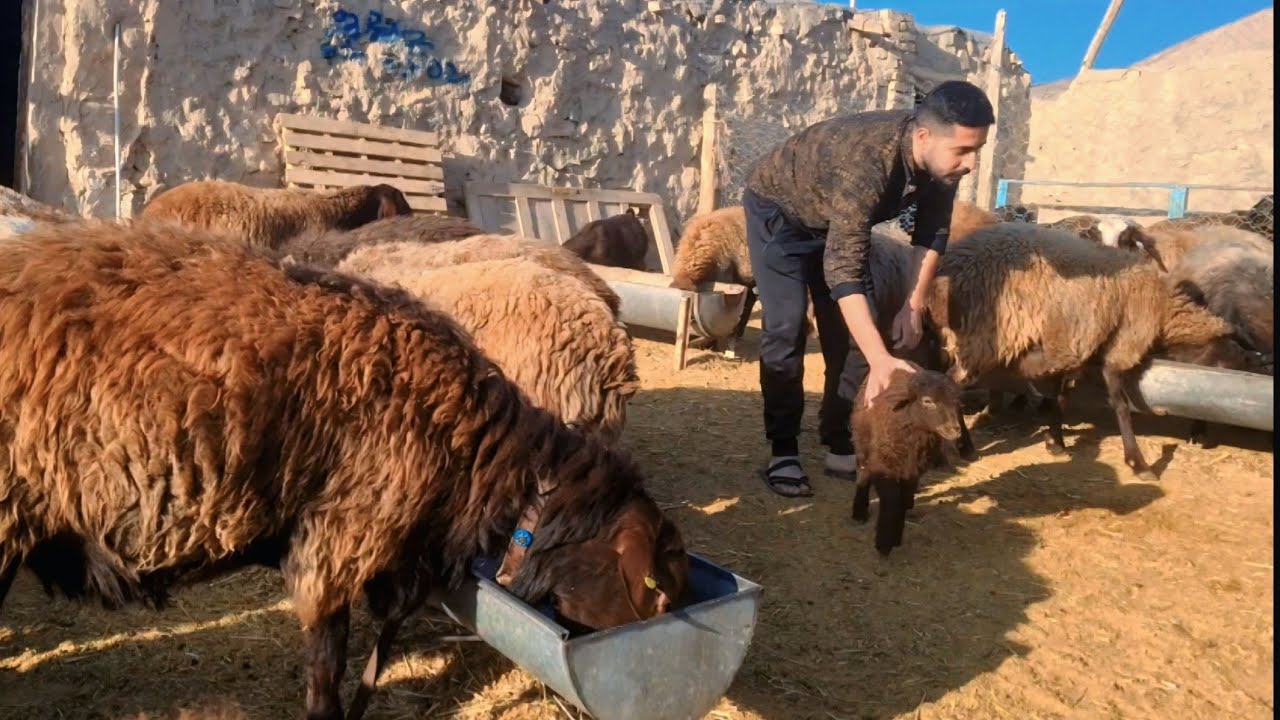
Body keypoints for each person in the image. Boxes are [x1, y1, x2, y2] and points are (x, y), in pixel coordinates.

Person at [742, 80, 994, 497]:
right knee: (785, 327)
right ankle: (783, 449)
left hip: (835, 221)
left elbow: (932, 233)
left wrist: (913, 305)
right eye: (962, 151)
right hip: (780, 213)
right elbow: (844, 268)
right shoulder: (866, 161)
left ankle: (838, 434)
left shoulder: (941, 168)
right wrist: (882, 360)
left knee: (859, 332)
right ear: (924, 136)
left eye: (977, 151)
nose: (970, 164)